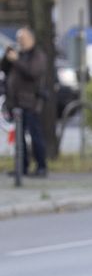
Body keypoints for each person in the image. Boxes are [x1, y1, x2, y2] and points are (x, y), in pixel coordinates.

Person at [1, 27, 48, 177]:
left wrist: (17, 61)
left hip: (31, 102)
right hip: (16, 103)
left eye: (23, 38)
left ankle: (41, 166)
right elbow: (4, 69)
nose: (20, 41)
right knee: (19, 138)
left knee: (35, 136)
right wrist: (7, 56)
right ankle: (22, 167)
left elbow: (32, 73)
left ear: (31, 39)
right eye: (18, 38)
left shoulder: (37, 56)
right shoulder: (19, 54)